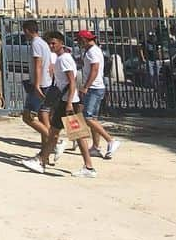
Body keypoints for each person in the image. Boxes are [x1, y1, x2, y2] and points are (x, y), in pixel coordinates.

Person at [23, 31, 97, 178]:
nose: (51, 46)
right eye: (49, 43)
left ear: (61, 43)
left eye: (54, 43)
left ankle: (87, 167)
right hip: (65, 102)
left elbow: (72, 82)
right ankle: (42, 160)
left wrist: (69, 102)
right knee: (55, 133)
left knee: (76, 134)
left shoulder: (64, 59)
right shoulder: (60, 58)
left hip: (69, 103)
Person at [76, 30, 121, 159]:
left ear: (84, 40)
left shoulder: (93, 52)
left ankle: (110, 140)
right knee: (93, 119)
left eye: (79, 41)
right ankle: (95, 147)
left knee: (88, 117)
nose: (79, 44)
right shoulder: (90, 51)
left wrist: (86, 87)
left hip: (94, 88)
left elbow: (94, 70)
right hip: (95, 87)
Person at [20, 20, 56, 160]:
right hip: (46, 83)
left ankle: (55, 141)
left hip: (40, 85)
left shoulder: (35, 43)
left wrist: (36, 84)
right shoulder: (43, 43)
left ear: (28, 30)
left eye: (25, 32)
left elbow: (38, 65)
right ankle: (45, 153)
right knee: (42, 116)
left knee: (28, 116)